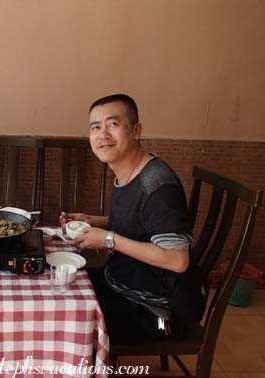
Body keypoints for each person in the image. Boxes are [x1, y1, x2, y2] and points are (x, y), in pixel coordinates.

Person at [60, 94, 205, 343]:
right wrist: (96, 221)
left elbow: (177, 260)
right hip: (121, 282)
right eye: (96, 127)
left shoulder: (157, 185)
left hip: (156, 311)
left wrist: (108, 239)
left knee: (62, 320)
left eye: (113, 124)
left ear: (137, 131)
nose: (103, 134)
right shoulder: (129, 170)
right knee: (60, 291)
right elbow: (141, 222)